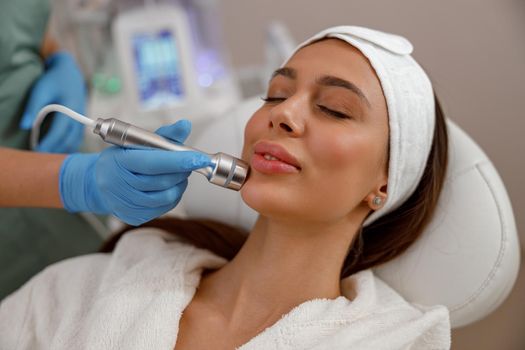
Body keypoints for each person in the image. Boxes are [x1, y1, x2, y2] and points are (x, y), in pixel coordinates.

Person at [0, 26, 451, 349]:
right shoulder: (92, 287)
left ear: (385, 181)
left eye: (335, 109)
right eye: (275, 94)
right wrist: (72, 179)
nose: (283, 113)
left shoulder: (388, 341)